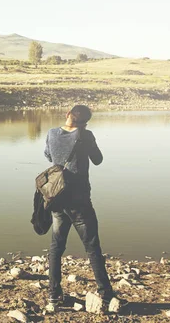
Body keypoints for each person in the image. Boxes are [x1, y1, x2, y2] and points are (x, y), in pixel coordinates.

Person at [43, 105, 117, 311]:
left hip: (57, 198)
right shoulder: (86, 135)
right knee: (92, 247)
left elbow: (49, 156)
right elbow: (98, 160)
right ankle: (106, 295)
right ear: (85, 122)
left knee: (56, 248)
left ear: (67, 114)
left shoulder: (51, 133)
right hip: (80, 201)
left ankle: (54, 296)